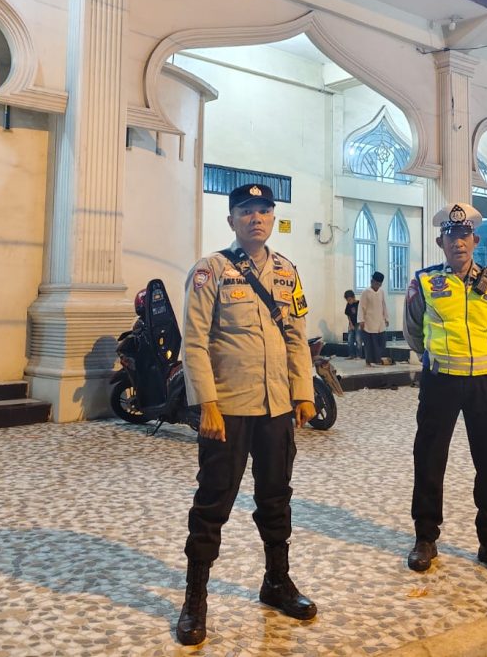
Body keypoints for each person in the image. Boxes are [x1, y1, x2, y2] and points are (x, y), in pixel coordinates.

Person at [176, 183, 318, 646]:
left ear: (272, 218)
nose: (256, 218)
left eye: (264, 210)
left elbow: (296, 335)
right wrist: (208, 404)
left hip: (277, 408)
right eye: (246, 211)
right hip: (229, 410)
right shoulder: (210, 270)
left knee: (276, 497)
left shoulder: (286, 272)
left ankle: (277, 582)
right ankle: (195, 598)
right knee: (213, 501)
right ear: (231, 219)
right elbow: (194, 342)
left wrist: (304, 394)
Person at [404, 202, 487, 579]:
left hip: (486, 381)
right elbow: (413, 333)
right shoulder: (424, 282)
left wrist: (486, 359)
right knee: (430, 456)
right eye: (451, 236)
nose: (459, 242)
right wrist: (438, 354)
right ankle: (425, 538)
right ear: (441, 241)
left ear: (475, 239)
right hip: (442, 380)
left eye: (465, 235)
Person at [359, 271, 389, 367]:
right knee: (370, 343)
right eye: (376, 283)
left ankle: (378, 360)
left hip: (380, 321)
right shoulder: (365, 292)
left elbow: (383, 305)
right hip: (369, 322)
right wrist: (361, 320)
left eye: (379, 284)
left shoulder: (381, 292)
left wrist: (386, 318)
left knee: (381, 342)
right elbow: (361, 307)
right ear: (372, 281)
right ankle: (369, 360)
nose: (377, 286)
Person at [343, 290, 361, 359]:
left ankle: (358, 355)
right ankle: (351, 355)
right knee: (350, 340)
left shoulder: (359, 304)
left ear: (354, 297)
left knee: (358, 340)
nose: (349, 302)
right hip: (351, 323)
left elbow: (362, 314)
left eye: (350, 300)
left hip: (358, 324)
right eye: (347, 300)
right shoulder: (348, 305)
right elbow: (348, 315)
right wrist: (350, 324)